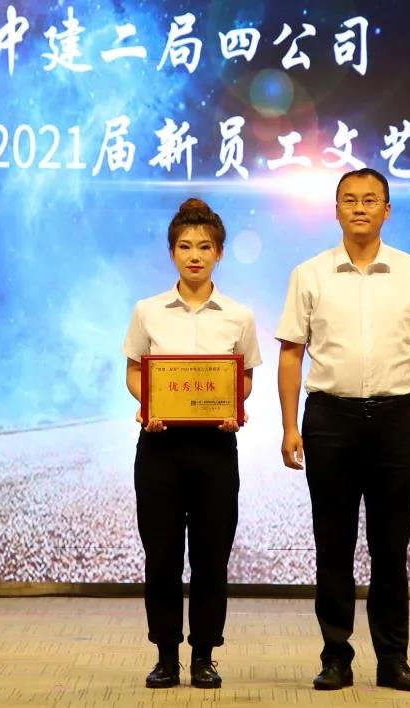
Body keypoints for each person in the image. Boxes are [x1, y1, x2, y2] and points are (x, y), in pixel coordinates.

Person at [275, 167, 410, 692]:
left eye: (370, 200)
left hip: (397, 420)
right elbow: (291, 353)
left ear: (387, 210)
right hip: (329, 420)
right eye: (349, 199)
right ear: (335, 210)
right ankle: (336, 657)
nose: (359, 208)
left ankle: (393, 659)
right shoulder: (309, 274)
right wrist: (288, 426)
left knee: (390, 549)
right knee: (332, 548)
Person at [123, 198, 261, 689]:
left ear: (219, 252)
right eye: (185, 246)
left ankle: (204, 655)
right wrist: (148, 404)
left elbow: (243, 379)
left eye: (204, 247)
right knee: (161, 558)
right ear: (172, 253)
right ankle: (165, 655)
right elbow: (135, 371)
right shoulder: (148, 310)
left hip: (215, 450)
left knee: (210, 559)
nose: (195, 255)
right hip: (159, 447)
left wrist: (233, 407)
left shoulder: (239, 315)